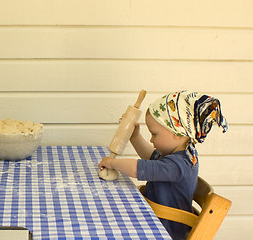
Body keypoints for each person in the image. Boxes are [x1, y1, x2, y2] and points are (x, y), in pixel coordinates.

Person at [98, 90, 228, 240]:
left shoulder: (179, 165)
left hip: (166, 230)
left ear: (177, 133)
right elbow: (150, 157)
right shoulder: (177, 155)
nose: (152, 140)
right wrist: (135, 136)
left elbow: (140, 169)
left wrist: (113, 163)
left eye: (154, 134)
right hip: (154, 220)